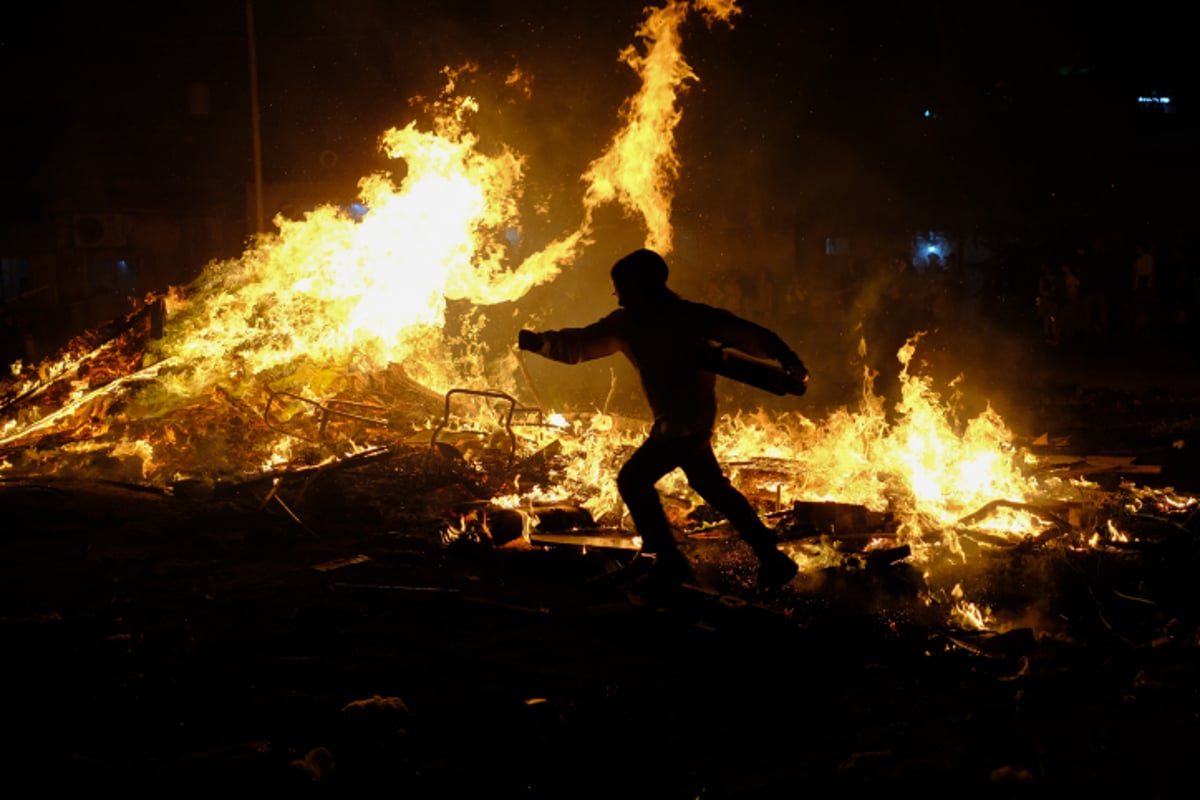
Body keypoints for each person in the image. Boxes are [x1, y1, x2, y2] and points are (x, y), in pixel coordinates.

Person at [517, 249, 806, 593]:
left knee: (633, 480)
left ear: (642, 286)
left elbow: (746, 334)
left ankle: (668, 561)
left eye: (622, 288)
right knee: (713, 489)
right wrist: (543, 343)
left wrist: (785, 357)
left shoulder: (668, 320)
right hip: (690, 423)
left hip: (682, 426)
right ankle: (772, 558)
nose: (619, 296)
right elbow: (581, 343)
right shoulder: (643, 321)